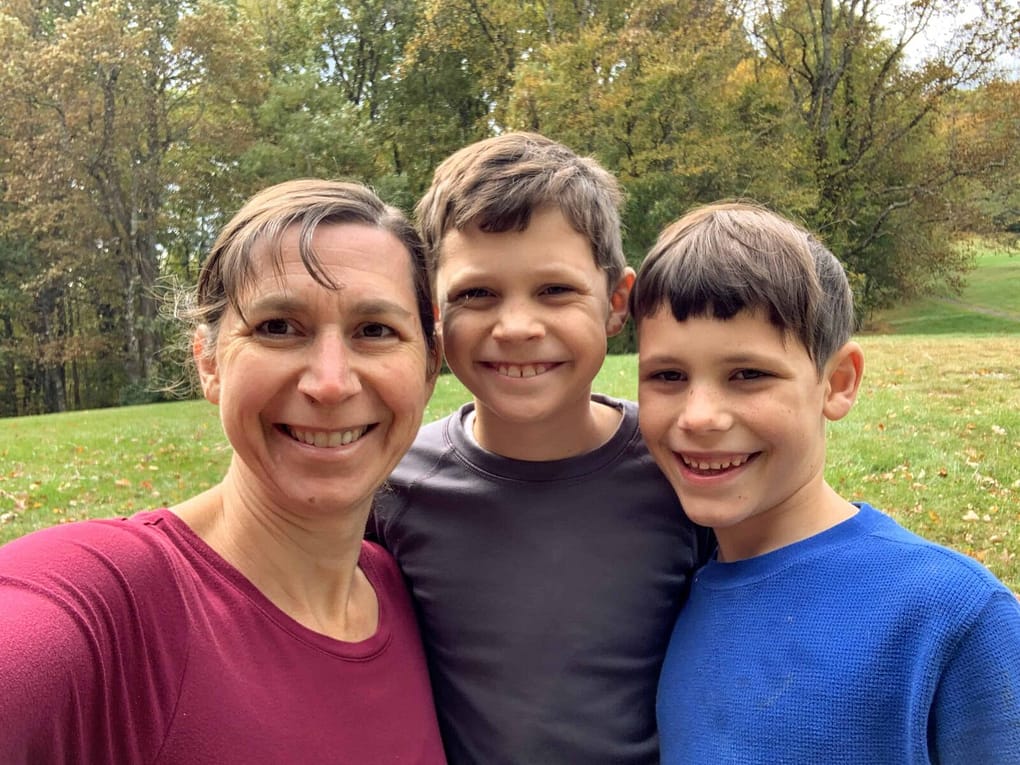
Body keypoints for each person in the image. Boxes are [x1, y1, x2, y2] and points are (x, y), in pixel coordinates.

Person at [0, 180, 448, 764]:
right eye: (278, 327)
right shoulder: (108, 606)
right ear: (209, 362)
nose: (331, 382)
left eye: (375, 331)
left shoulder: (407, 591)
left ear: (429, 367)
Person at [630, 200, 1020, 763]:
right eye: (668, 376)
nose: (699, 416)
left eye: (748, 375)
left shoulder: (955, 615)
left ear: (837, 383)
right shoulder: (674, 592)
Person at [368, 132, 714, 764]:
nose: (519, 326)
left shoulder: (683, 468)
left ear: (616, 302)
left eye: (555, 290)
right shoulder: (392, 487)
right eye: (476, 294)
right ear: (434, 318)